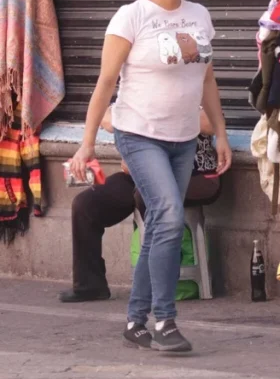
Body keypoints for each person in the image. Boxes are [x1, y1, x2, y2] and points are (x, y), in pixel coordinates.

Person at [68, 0, 232, 354]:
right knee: (169, 215)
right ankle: (165, 320)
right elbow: (106, 83)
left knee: (160, 224)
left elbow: (207, 80)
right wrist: (86, 143)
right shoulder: (131, 17)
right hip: (139, 133)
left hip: (183, 137)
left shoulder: (199, 15)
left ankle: (135, 321)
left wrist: (219, 133)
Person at [60, 107, 221, 304]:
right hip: (139, 177)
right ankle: (90, 285)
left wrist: (150, 119)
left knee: (149, 196)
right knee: (86, 204)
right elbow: (106, 115)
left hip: (195, 178)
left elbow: (212, 123)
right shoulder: (138, 93)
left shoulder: (189, 90)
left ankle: (162, 276)